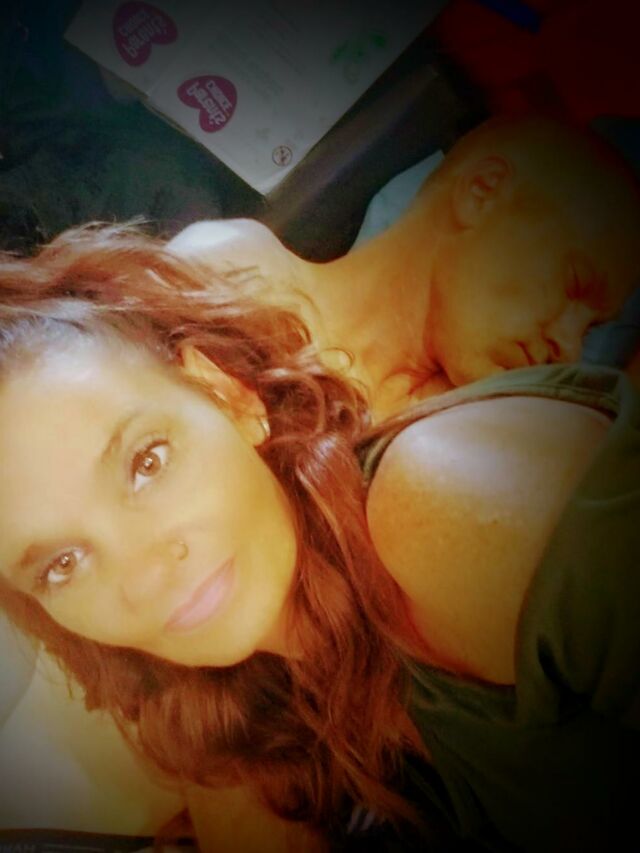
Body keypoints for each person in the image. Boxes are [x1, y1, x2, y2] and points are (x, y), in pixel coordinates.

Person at [0, 222, 638, 852]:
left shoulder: (444, 502)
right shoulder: (239, 698)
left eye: (147, 462)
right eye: (62, 563)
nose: (143, 577)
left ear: (230, 397)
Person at [169, 115, 640, 419]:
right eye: (574, 283)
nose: (570, 348)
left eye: (590, 327)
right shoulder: (238, 272)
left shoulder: (460, 452)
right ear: (482, 192)